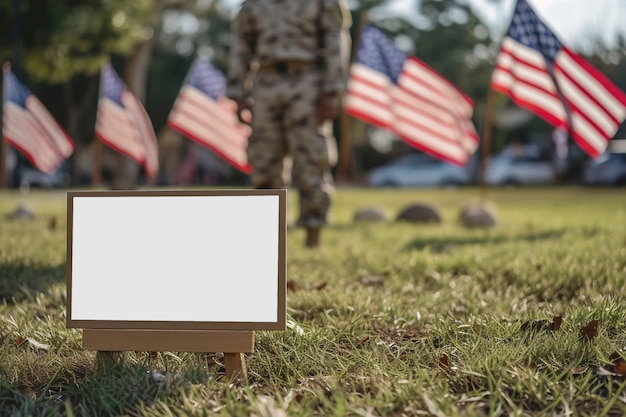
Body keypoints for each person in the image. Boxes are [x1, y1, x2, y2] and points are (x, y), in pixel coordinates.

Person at [226, 0, 351, 248]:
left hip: (308, 82)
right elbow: (242, 45)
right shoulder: (253, 4)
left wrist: (332, 91)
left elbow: (334, 40)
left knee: (311, 159)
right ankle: (267, 238)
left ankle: (313, 234)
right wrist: (238, 92)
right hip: (266, 82)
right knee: (263, 160)